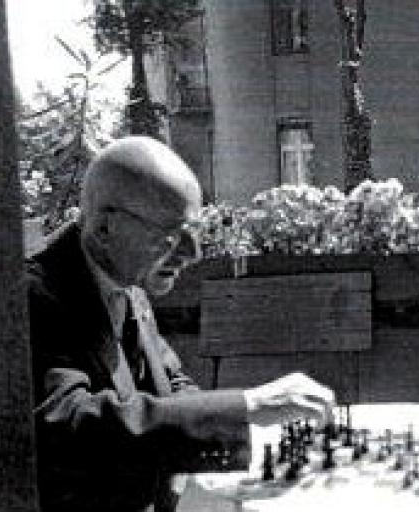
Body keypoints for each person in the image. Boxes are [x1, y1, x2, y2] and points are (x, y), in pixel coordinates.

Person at [26, 136, 336, 512]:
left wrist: (236, 427)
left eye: (196, 232)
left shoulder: (127, 281)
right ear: (106, 229)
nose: (194, 254)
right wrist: (250, 404)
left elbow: (172, 384)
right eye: (172, 236)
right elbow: (71, 428)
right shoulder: (35, 297)